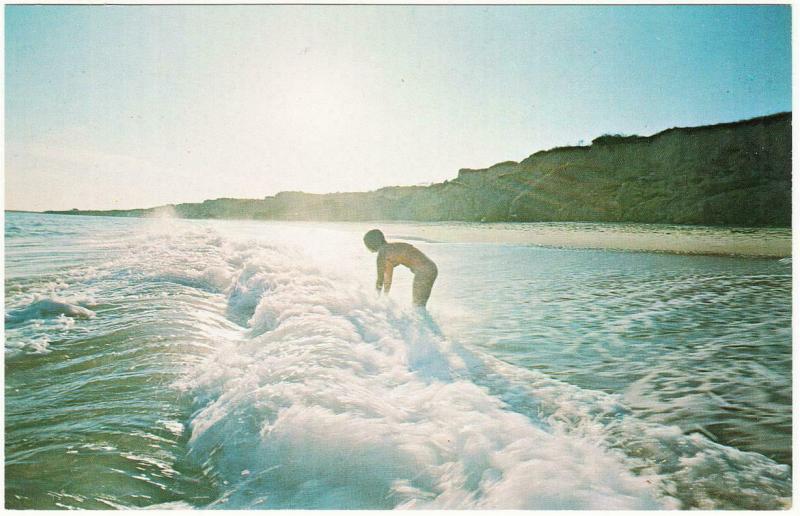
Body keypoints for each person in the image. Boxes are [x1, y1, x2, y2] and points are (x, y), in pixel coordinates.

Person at [363, 229, 438, 308]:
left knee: (418, 306)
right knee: (419, 305)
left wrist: (376, 298)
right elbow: (387, 278)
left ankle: (423, 319)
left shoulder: (382, 253)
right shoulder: (392, 247)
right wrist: (385, 296)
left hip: (423, 272)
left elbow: (380, 280)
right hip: (431, 268)